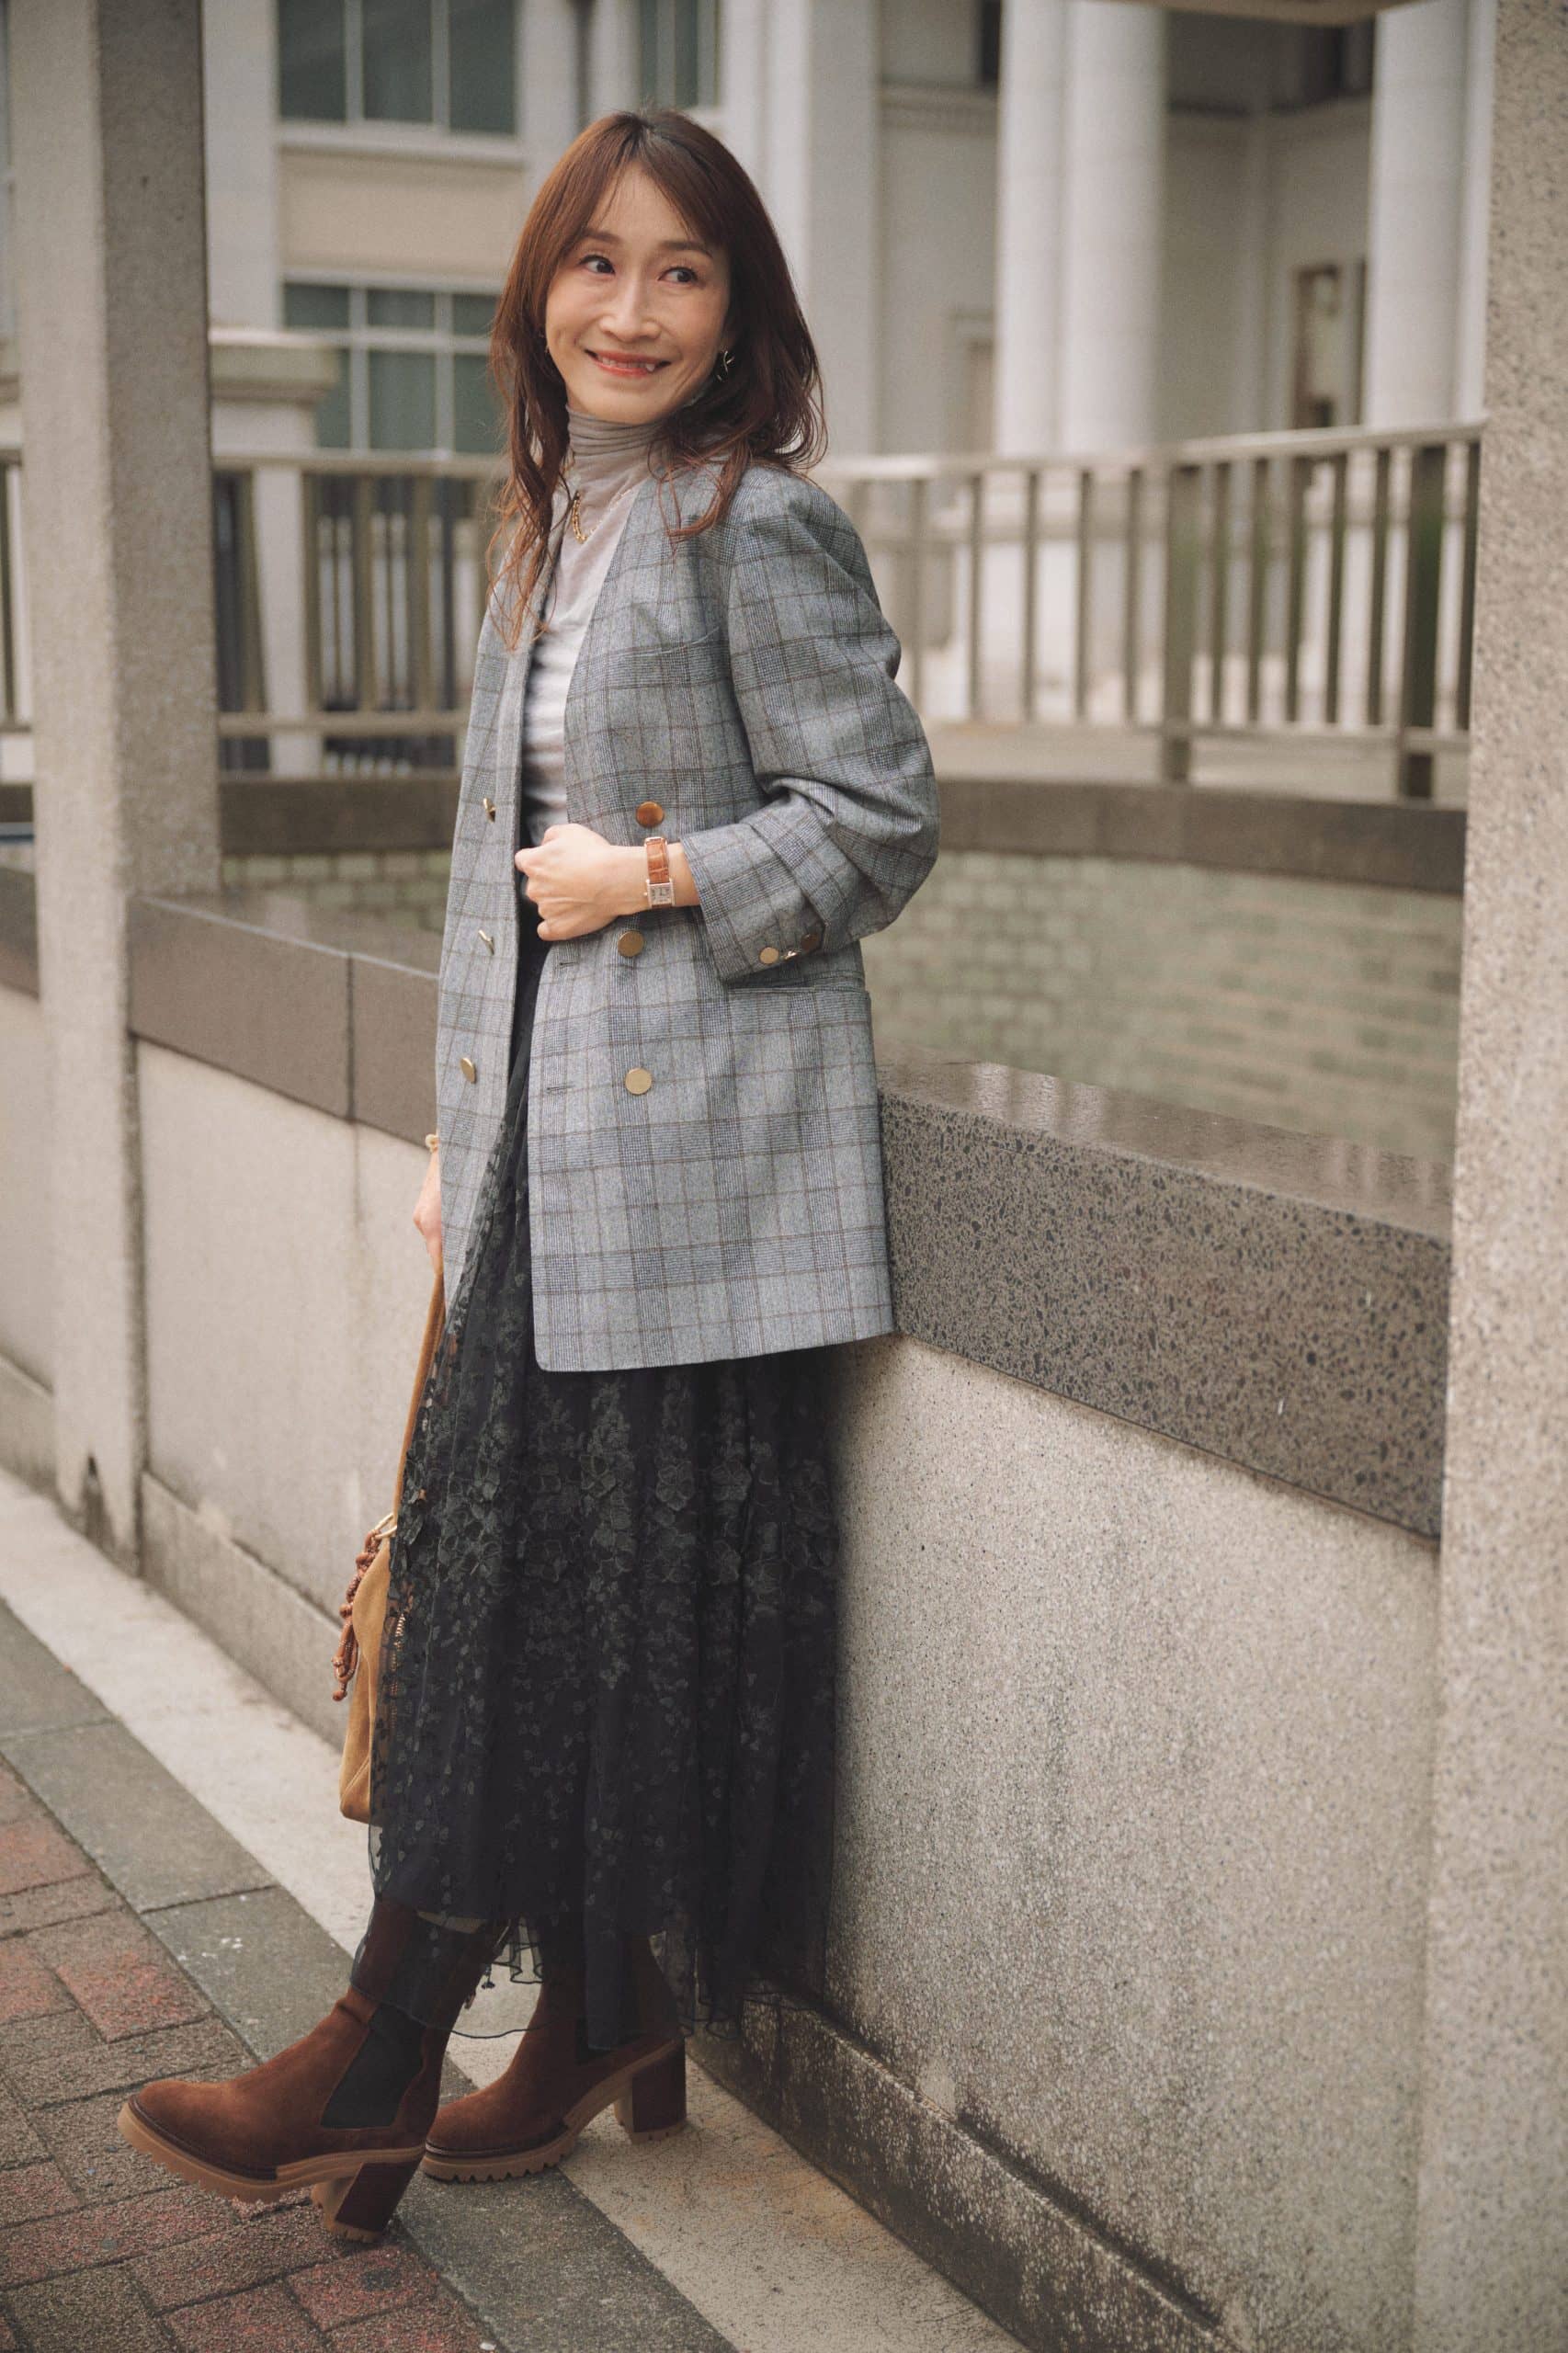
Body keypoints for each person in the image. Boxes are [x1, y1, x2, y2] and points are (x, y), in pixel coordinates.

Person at [117, 105, 939, 2244]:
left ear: (738, 311)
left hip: (694, 1190)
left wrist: (658, 875)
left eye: (682, 270)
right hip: (538, 1172)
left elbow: (879, 820)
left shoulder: (753, 521)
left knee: (542, 1624)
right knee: (538, 1614)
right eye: (596, 261)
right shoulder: (549, 522)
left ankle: (382, 2046)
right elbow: (488, 890)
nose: (631, 308)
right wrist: (449, 1134)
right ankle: (587, 2014)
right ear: (540, 289)